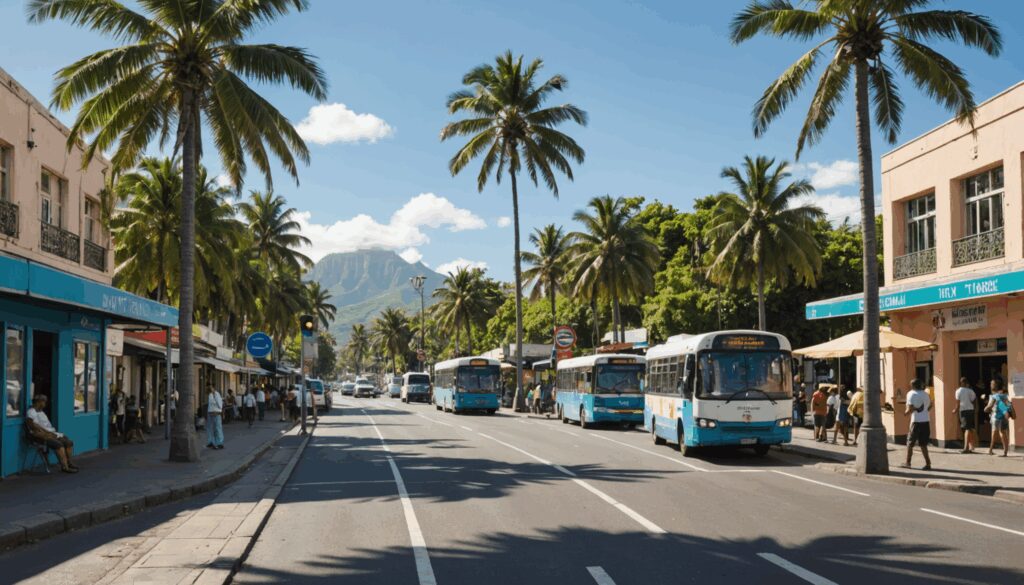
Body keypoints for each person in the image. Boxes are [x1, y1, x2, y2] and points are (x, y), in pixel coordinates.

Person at [26, 395, 78, 473]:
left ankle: (69, 463)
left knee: (69, 442)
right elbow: (32, 426)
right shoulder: (31, 411)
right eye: (44, 401)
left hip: (50, 432)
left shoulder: (41, 412)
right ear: (38, 402)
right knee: (58, 445)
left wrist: (52, 433)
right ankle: (65, 467)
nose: (45, 403)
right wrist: (47, 434)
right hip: (39, 435)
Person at [901, 378, 932, 470]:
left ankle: (908, 462)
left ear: (913, 386)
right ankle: (928, 463)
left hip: (916, 422)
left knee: (910, 443)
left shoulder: (911, 394)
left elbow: (910, 409)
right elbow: (930, 406)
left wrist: (905, 414)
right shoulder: (926, 394)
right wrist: (924, 412)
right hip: (926, 421)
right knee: (923, 444)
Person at [985, 380, 1013, 457]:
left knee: (995, 433)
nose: (991, 385)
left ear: (996, 385)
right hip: (1004, 416)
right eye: (991, 383)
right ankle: (1005, 452)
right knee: (1002, 433)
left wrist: (986, 408)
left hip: (996, 417)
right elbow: (1008, 405)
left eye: (992, 383)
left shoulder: (995, 396)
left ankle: (991, 450)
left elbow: (989, 406)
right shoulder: (1004, 395)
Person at [953, 377, 977, 454]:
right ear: (966, 383)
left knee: (966, 428)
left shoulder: (958, 391)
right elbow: (973, 400)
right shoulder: (971, 391)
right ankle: (971, 446)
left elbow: (958, 402)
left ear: (960, 383)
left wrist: (955, 410)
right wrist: (974, 409)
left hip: (963, 410)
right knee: (969, 428)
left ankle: (966, 448)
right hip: (970, 410)